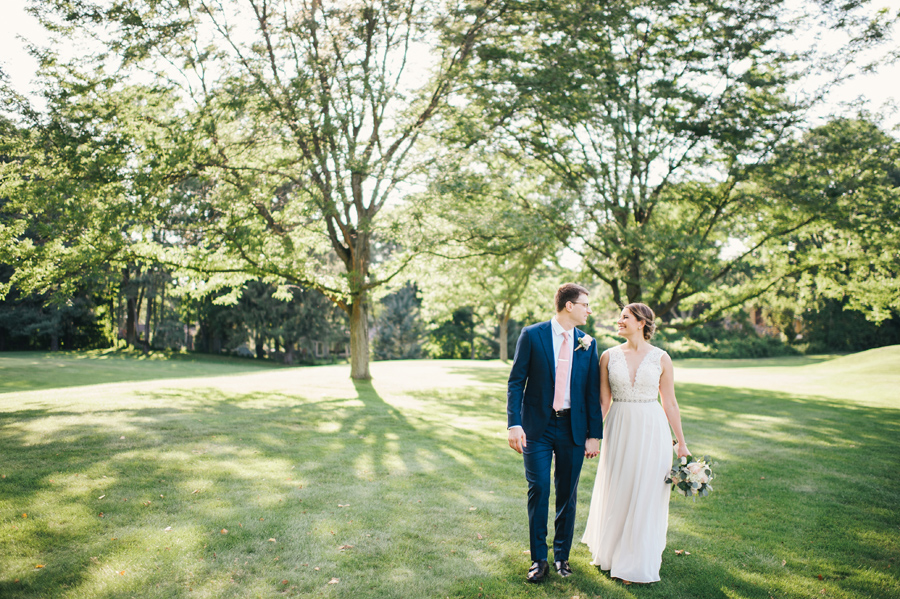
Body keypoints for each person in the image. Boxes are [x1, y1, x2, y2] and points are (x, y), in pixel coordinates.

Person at [581, 302, 690, 584]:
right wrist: (592, 435)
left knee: (646, 492)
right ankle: (613, 552)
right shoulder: (607, 356)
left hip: (652, 428)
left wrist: (681, 443)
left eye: (624, 317)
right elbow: (603, 401)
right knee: (620, 488)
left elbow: (670, 403)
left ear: (642, 322)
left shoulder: (661, 358)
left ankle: (636, 561)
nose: (619, 321)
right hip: (619, 426)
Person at [507, 283, 603, 583]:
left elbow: (591, 392)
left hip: (572, 428)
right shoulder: (532, 335)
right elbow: (515, 382)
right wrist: (514, 423)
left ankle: (562, 557)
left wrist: (593, 434)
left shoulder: (588, 342)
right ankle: (539, 559)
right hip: (537, 426)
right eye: (585, 304)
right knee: (539, 490)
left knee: (567, 495)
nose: (589, 310)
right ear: (569, 306)